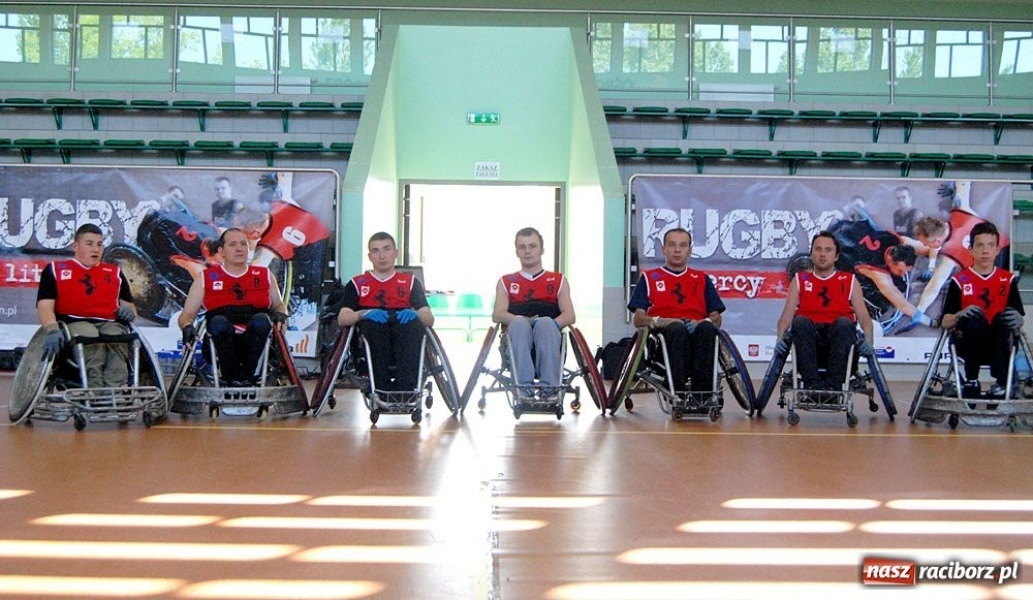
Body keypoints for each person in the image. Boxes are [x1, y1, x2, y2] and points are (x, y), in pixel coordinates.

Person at [178, 228, 289, 386]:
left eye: (243, 244)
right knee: (218, 323)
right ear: (221, 251)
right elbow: (187, 314)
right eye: (233, 244)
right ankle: (232, 378)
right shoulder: (207, 277)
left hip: (257, 336)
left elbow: (279, 305)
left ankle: (246, 377)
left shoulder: (264, 274)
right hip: (220, 337)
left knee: (262, 321)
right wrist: (187, 326)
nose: (239, 248)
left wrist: (281, 314)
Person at [36, 224, 137, 387]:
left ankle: (114, 392)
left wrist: (129, 312)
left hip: (109, 322)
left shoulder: (114, 273)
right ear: (75, 246)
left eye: (100, 244)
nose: (96, 249)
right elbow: (45, 305)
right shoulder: (56, 270)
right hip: (74, 323)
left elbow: (130, 307)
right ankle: (94, 392)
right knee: (89, 336)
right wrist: (52, 329)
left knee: (115, 336)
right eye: (89, 244)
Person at [627, 228, 725, 393]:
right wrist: (661, 321)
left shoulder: (702, 279)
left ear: (690, 250)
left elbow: (716, 318)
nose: (677, 250)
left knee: (708, 328)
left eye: (683, 245)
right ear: (664, 249)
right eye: (672, 245)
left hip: (697, 332)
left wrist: (703, 322)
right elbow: (638, 319)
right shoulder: (649, 278)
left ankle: (702, 394)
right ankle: (676, 390)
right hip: (664, 336)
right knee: (676, 328)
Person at [335, 232, 434, 392]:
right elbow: (342, 318)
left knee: (414, 326)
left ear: (396, 253)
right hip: (373, 328)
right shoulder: (357, 283)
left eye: (386, 249)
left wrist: (416, 314)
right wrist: (363, 313)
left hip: (403, 326)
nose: (382, 256)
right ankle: (380, 387)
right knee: (374, 326)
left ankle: (407, 388)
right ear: (369, 256)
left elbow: (429, 318)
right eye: (376, 251)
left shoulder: (410, 283)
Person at [775, 231, 874, 392]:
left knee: (843, 323)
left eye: (828, 250)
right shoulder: (800, 280)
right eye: (818, 249)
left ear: (836, 256)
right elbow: (785, 318)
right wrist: (779, 338)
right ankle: (811, 385)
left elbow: (864, 318)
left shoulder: (849, 280)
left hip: (840, 343)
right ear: (812, 253)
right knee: (799, 321)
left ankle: (833, 388)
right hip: (809, 343)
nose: (822, 254)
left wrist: (869, 341)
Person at [939, 222, 1024, 400]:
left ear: (997, 250)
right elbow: (945, 321)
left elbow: (1018, 319)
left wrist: (1018, 319)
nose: (985, 251)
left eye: (990, 245)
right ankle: (971, 380)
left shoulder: (1008, 280)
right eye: (979, 245)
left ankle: (1002, 382)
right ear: (970, 249)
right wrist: (959, 315)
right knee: (974, 317)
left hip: (1000, 345)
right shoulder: (959, 281)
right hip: (968, 344)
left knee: (1003, 319)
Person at [492, 227, 575, 398]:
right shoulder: (506, 281)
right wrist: (524, 321)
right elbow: (498, 314)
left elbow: (569, 315)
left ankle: (550, 390)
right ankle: (523, 391)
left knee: (545, 323)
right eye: (522, 247)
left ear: (541, 249)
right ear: (517, 252)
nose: (527, 251)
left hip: (548, 336)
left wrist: (547, 323)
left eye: (532, 246)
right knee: (520, 324)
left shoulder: (558, 280)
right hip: (517, 335)